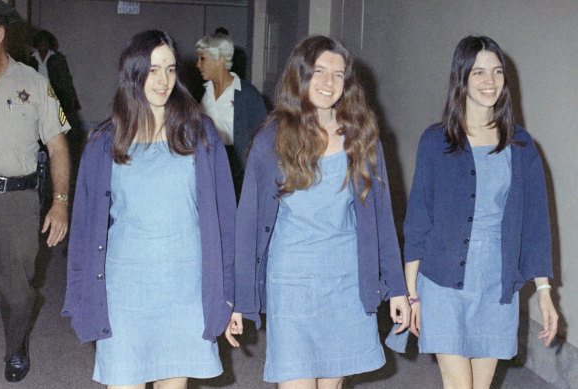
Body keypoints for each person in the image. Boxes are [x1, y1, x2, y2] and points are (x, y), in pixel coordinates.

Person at [229, 35, 410, 388]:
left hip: (345, 279)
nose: (328, 83)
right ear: (300, 75)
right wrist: (240, 298)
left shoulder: (360, 137)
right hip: (291, 281)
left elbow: (380, 219)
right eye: (319, 72)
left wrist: (396, 287)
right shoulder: (272, 139)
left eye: (338, 74)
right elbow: (248, 225)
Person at [61, 30, 236, 388]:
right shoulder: (105, 140)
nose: (163, 80)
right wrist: (80, 293)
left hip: (185, 286)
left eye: (170, 69)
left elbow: (224, 222)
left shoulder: (200, 134)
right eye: (153, 70)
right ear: (133, 73)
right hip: (125, 288)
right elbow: (83, 228)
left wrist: (230, 295)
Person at [403, 35, 558, 389]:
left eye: (497, 71)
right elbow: (418, 222)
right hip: (442, 281)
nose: (490, 81)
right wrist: (412, 294)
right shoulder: (435, 141)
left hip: (496, 282)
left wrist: (545, 292)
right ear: (461, 78)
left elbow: (536, 222)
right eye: (478, 73)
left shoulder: (520, 144)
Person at [0, 1, 71, 382]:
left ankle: (16, 344)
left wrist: (59, 202)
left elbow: (57, 146)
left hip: (17, 199)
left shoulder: (34, 84)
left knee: (17, 288)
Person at [195, 33, 266, 199]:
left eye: (202, 59)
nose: (198, 65)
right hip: (207, 164)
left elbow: (264, 139)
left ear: (220, 59)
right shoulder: (201, 93)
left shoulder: (248, 94)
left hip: (236, 171)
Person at [27, 30, 83, 165]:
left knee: (59, 126)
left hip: (56, 95)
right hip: (37, 95)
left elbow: (65, 80)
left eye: (46, 44)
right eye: (41, 44)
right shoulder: (31, 58)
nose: (43, 47)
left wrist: (69, 100)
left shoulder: (57, 58)